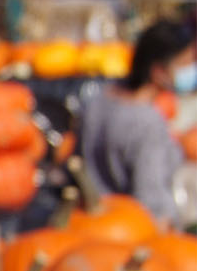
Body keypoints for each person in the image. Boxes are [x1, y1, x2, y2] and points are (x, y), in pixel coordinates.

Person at [76, 19, 196, 225]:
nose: (192, 71)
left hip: (90, 218)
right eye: (185, 64)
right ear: (159, 71)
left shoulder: (98, 100)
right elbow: (153, 201)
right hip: (128, 227)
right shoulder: (147, 123)